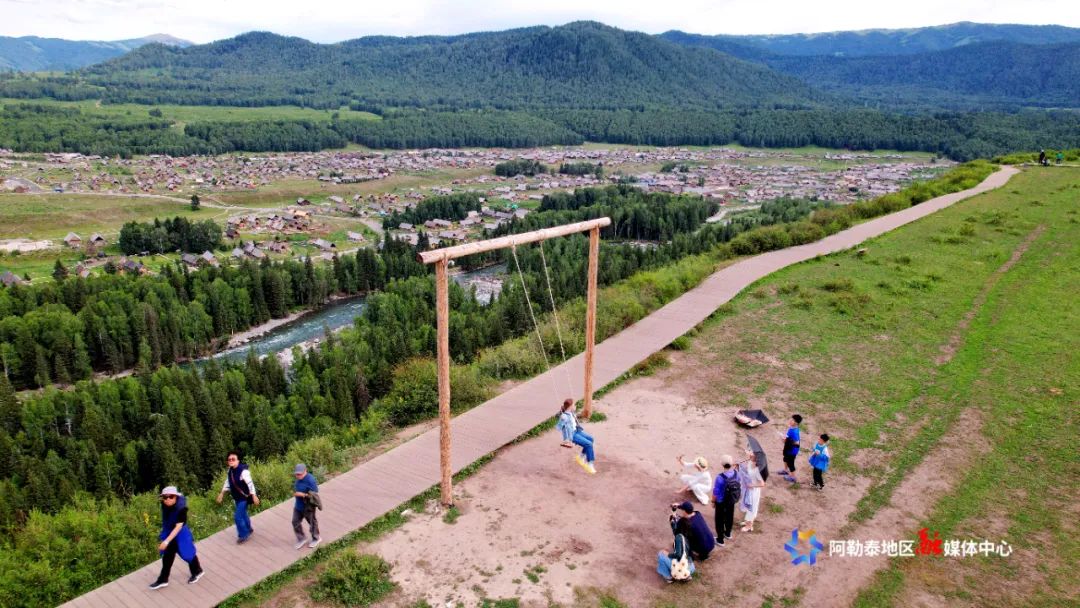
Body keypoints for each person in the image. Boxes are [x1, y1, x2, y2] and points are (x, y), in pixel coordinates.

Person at [149, 486, 204, 590]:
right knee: (167, 556)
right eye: (165, 497)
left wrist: (166, 541)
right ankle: (163, 579)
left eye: (171, 496)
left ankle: (197, 571)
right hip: (170, 531)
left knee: (187, 554)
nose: (168, 499)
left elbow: (178, 527)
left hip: (180, 533)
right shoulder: (164, 505)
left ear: (176, 497)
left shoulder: (181, 509)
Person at [216, 451, 260, 544]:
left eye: (233, 459)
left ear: (238, 460)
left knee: (238, 517)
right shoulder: (230, 471)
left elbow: (250, 484)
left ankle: (243, 535)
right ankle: (249, 528)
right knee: (243, 514)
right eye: (229, 459)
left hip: (244, 498)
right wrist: (222, 493)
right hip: (237, 497)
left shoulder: (243, 471)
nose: (231, 461)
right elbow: (228, 482)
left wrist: (254, 495)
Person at [556, 398, 596, 474]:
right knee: (589, 444)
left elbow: (565, 409)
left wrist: (563, 409)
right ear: (571, 406)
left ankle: (581, 457)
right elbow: (559, 427)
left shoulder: (571, 412)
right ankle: (590, 464)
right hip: (571, 435)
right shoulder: (565, 416)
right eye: (574, 404)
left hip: (577, 431)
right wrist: (561, 418)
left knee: (591, 439)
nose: (575, 406)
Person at [712, 454, 740, 547]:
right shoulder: (736, 474)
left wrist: (713, 502)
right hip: (731, 500)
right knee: (729, 517)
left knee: (719, 520)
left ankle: (720, 540)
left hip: (721, 502)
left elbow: (715, 492)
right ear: (732, 463)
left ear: (722, 464)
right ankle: (728, 533)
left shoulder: (720, 477)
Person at [292, 463, 321, 550]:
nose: (298, 476)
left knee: (312, 523)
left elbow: (315, 495)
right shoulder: (297, 480)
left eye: (300, 474)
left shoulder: (310, 480)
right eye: (297, 474)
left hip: (308, 506)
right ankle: (302, 538)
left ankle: (316, 538)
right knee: (295, 521)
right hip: (298, 505)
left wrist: (303, 495)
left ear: (305, 471)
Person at [738, 450, 766, 532]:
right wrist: (739, 466)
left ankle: (749, 526)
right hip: (748, 489)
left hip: (753, 491)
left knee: (751, 508)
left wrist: (752, 485)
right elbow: (747, 471)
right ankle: (748, 522)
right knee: (747, 506)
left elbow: (762, 484)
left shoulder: (758, 470)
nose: (750, 455)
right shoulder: (750, 462)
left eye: (752, 455)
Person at [780, 414, 803, 482]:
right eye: (791, 419)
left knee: (790, 463)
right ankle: (785, 470)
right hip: (788, 447)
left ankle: (793, 477)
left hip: (792, 450)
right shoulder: (791, 428)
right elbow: (788, 436)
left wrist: (786, 440)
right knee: (785, 459)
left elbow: (797, 443)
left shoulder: (795, 432)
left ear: (796, 423)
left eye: (792, 420)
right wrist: (785, 438)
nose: (790, 420)